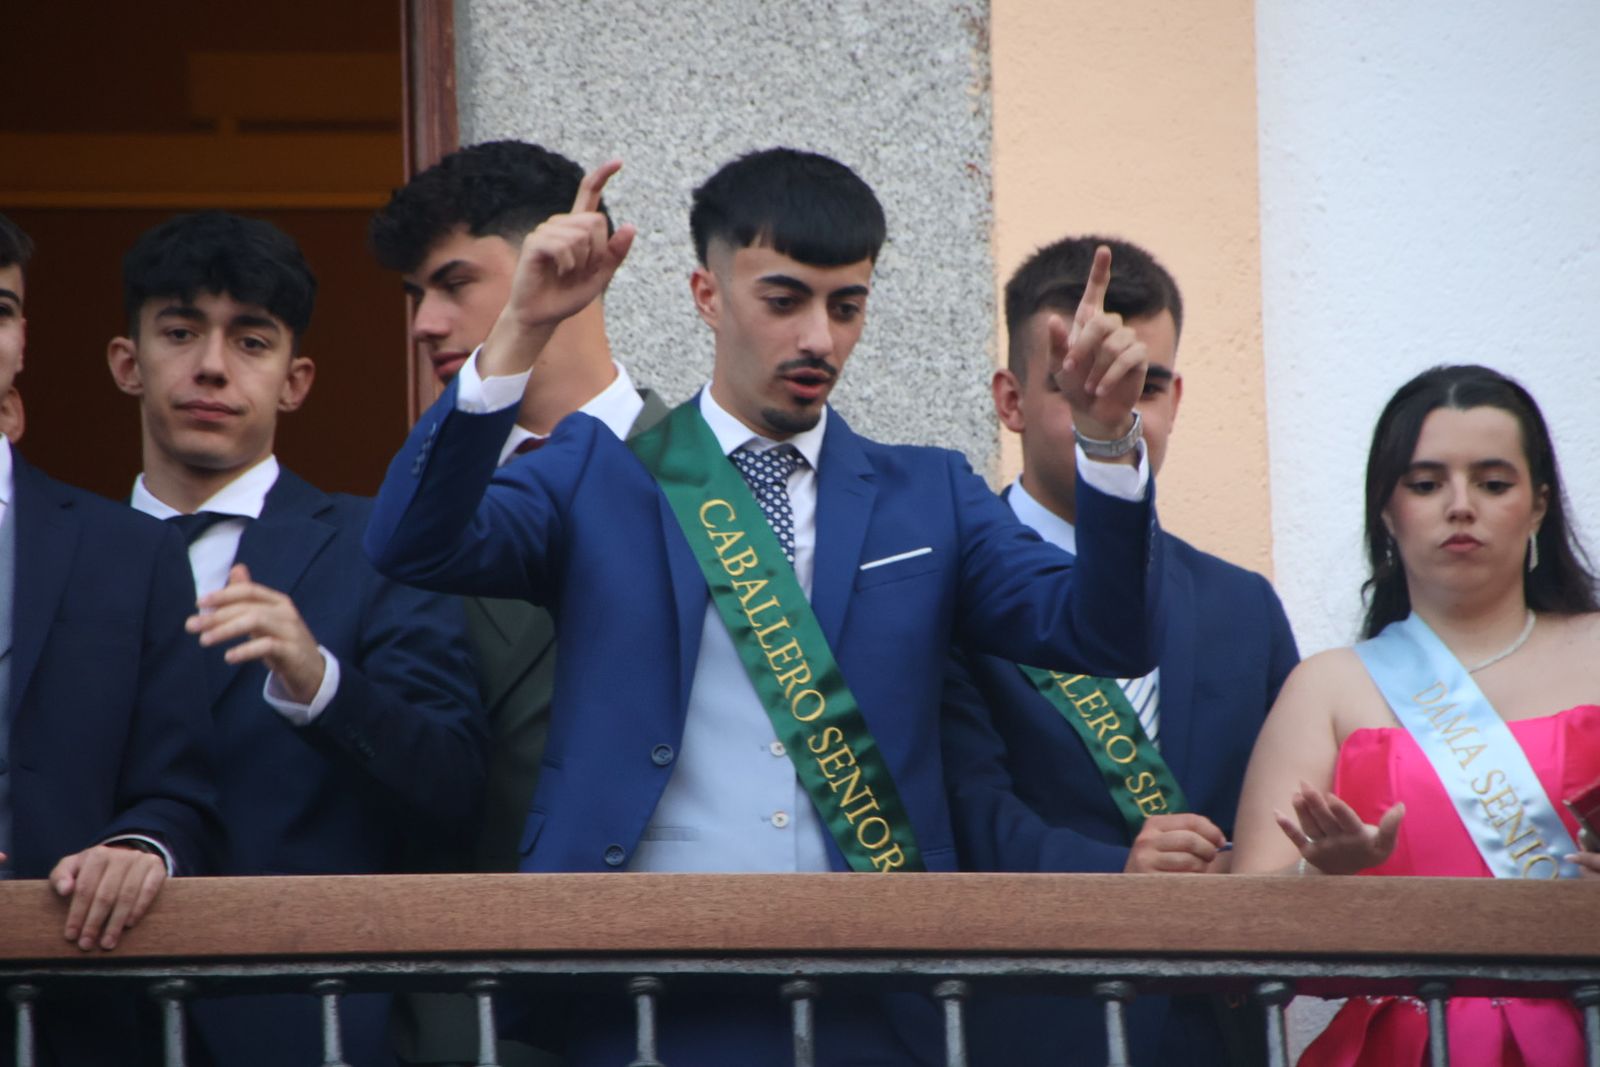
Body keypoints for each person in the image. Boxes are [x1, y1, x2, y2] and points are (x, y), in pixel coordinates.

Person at [364, 148, 1163, 1065]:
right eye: (784, 300)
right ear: (707, 293)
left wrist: (1109, 444)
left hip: (873, 997)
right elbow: (411, 543)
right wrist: (519, 330)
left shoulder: (929, 493)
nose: (819, 338)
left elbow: (1104, 634)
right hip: (632, 989)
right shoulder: (598, 467)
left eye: (847, 305)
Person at [105, 211, 486, 1067]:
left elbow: (457, 785)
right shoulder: (55, 554)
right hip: (81, 1019)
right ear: (127, 363)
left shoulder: (377, 547)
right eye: (179, 331)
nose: (211, 364)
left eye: (251, 340)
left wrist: (319, 681)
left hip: (311, 1027)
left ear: (295, 379)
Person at [941, 235, 1299, 1066]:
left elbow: (1283, 813)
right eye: (1080, 382)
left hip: (1214, 1034)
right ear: (1011, 397)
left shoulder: (1242, 605)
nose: (1119, 407)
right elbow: (965, 811)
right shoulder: (946, 582)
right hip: (1023, 1027)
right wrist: (1116, 868)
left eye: (1146, 384)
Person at [370, 138, 669, 1067]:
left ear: (562, 257)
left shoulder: (720, 481)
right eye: (417, 294)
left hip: (685, 978)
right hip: (476, 1007)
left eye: (455, 282)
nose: (425, 321)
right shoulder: (408, 514)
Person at [1233, 364, 1600, 1065]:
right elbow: (1241, 929)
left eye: (1493, 483)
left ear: (1540, 506)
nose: (1460, 505)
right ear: (1386, 510)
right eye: (1426, 483)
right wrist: (1322, 876)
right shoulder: (1327, 686)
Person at [0, 213, 221, 1065]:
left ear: (22, 341)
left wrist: (143, 846)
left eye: (2, 308)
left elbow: (178, 789)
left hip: (70, 1006)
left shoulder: (129, 550)